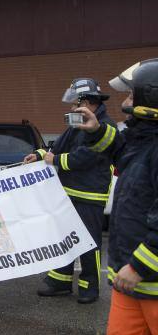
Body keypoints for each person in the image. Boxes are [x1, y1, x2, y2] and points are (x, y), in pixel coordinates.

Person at [73, 60, 158, 335]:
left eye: (130, 91)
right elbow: (121, 152)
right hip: (130, 283)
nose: (124, 97)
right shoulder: (145, 139)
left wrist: (140, 265)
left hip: (144, 276)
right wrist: (95, 131)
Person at [25, 78, 116, 304]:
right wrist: (38, 154)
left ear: (87, 102)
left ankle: (89, 287)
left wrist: (54, 159)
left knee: (88, 242)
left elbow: (86, 156)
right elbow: (59, 145)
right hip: (69, 193)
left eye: (75, 104)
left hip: (89, 195)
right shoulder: (78, 122)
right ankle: (60, 281)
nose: (72, 109)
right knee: (65, 238)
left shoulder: (106, 126)